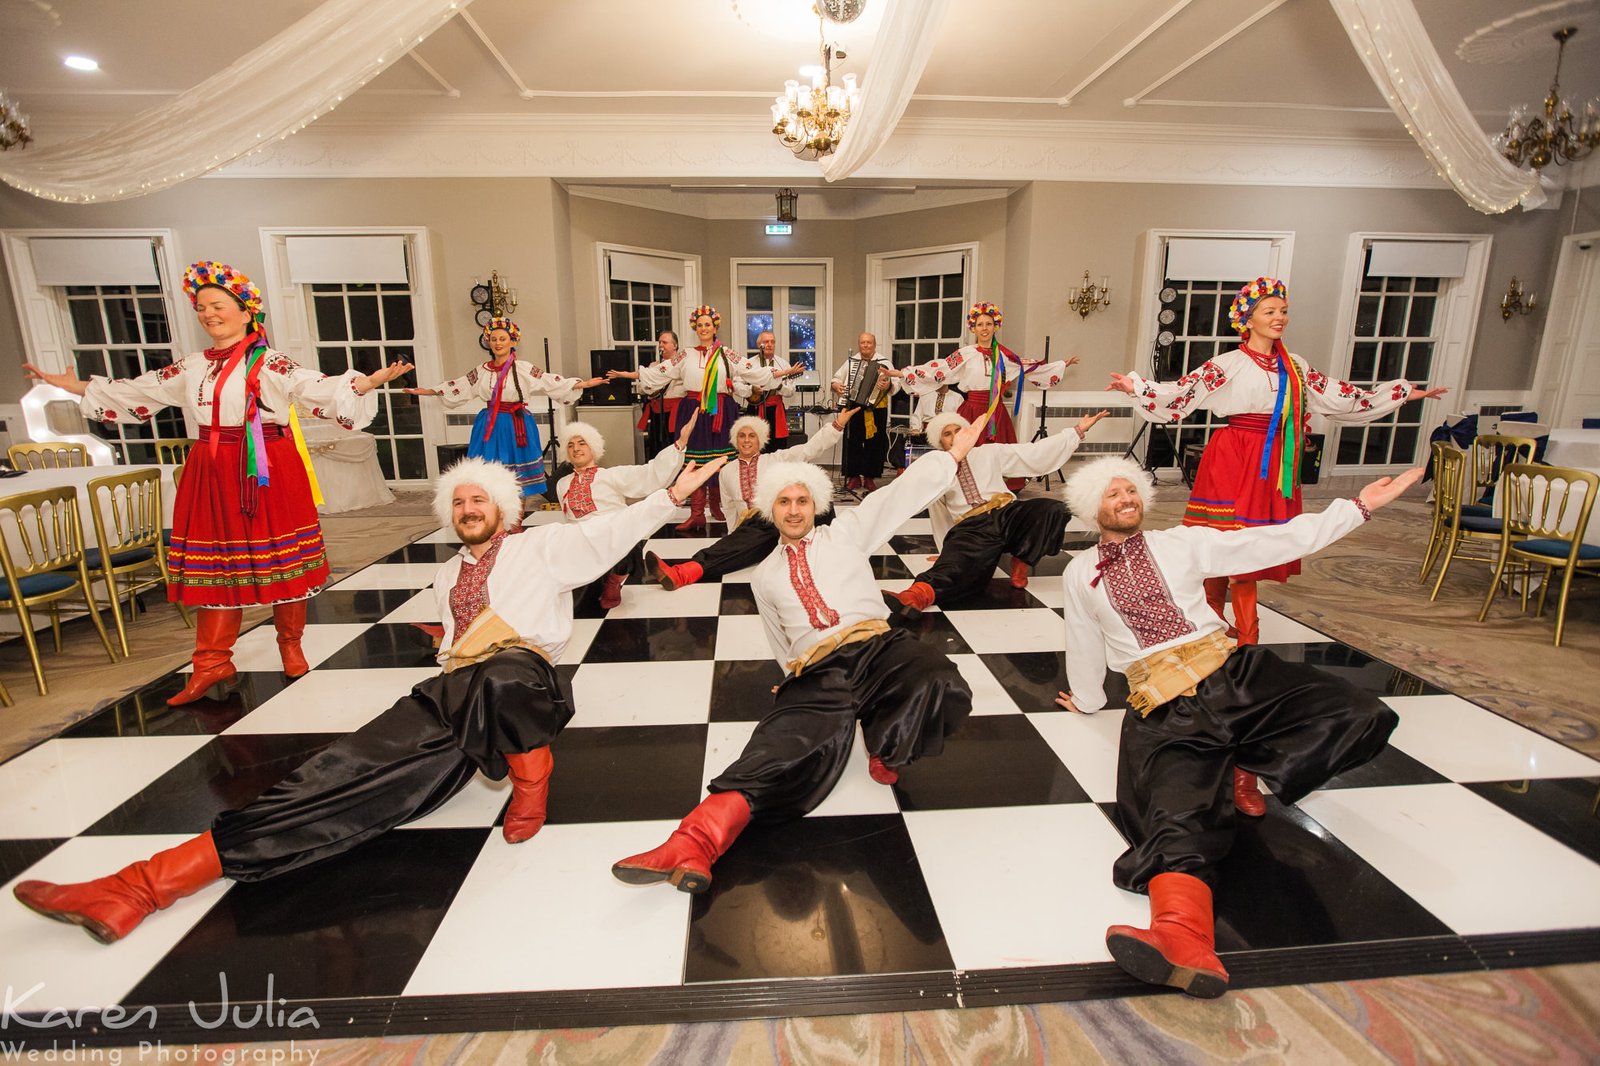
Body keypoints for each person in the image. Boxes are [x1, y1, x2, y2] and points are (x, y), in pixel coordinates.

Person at [11, 455, 727, 944]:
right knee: (335, 779)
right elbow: (451, 644)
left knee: (505, 673)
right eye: (460, 502)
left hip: (521, 680)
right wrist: (442, 643)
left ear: (505, 510)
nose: (469, 508)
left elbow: (607, 532)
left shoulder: (540, 549)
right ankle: (140, 886)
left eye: (480, 499)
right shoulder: (447, 576)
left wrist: (668, 496)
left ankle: (531, 777)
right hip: (454, 693)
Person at [1054, 456, 1419, 997]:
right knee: (1172, 823)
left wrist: (1359, 507)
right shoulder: (1079, 572)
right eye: (1112, 494)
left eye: (1132, 490)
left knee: (1358, 713)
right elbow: (1082, 641)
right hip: (1162, 706)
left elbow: (1272, 541)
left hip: (1232, 673)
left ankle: (1245, 760)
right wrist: (1086, 699)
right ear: (1092, 508)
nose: (1126, 499)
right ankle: (1182, 941)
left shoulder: (1183, 542)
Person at [1106, 277, 1446, 815]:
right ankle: (1208, 644)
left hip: (1273, 465)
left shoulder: (1296, 365)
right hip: (1234, 458)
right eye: (1269, 310)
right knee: (1216, 556)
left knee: (1256, 557)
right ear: (1247, 318)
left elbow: (1340, 396)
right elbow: (1183, 393)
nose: (1280, 317)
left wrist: (1402, 392)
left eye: (1284, 309)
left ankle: (1242, 654)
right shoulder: (1230, 365)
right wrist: (1139, 388)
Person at [610, 418, 988, 896]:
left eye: (802, 501)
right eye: (784, 502)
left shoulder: (846, 533)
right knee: (777, 749)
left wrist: (949, 458)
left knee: (937, 676)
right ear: (771, 509)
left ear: (816, 505)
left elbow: (899, 494)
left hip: (877, 646)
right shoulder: (762, 577)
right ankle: (692, 843)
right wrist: (789, 677)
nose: (793, 510)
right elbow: (777, 636)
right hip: (818, 668)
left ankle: (887, 746)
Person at [24, 261, 413, 707]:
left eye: (218, 305)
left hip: (265, 466)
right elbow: (139, 392)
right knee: (216, 567)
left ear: (246, 311)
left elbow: (318, 388)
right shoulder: (192, 367)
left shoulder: (271, 363)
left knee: (284, 559)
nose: (209, 314)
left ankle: (291, 644)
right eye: (202, 307)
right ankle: (211, 663)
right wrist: (76, 387)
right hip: (210, 469)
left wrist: (368, 383)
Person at [887, 409, 1107, 617]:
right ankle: (914, 596)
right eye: (947, 434)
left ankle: (1021, 560)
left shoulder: (990, 452)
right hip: (973, 528)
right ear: (940, 442)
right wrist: (947, 549)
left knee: (1052, 509)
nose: (954, 437)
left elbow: (1033, 453)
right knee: (958, 570)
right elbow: (938, 511)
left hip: (1006, 513)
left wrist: (1076, 430)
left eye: (958, 431)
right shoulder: (939, 467)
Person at [613, 306, 797, 530]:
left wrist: (782, 373)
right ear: (695, 328)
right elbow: (662, 370)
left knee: (722, 460)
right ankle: (697, 513)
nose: (703, 329)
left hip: (721, 409)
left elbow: (751, 370)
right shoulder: (686, 354)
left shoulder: (726, 353)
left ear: (714, 327)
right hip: (693, 410)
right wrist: (631, 375)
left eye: (707, 325)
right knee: (694, 460)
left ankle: (718, 506)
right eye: (699, 325)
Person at [646, 407, 856, 591]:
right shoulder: (727, 471)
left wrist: (836, 424)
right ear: (735, 440)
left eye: (752, 436)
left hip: (782, 522)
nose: (746, 440)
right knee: (746, 539)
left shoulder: (776, 459)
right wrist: (734, 539)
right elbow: (728, 508)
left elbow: (809, 449)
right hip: (754, 529)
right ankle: (683, 573)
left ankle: (831, 549)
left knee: (821, 499)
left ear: (761, 440)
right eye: (742, 436)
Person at [406, 318, 602, 505]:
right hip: (489, 425)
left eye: (502, 339)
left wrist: (583, 384)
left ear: (512, 341)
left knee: (518, 477)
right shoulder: (482, 371)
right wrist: (427, 391)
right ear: (488, 342)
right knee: (487, 472)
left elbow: (549, 381)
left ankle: (516, 519)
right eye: (493, 339)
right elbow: (459, 386)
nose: (498, 343)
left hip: (517, 425)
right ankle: (495, 515)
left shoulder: (523, 368)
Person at [889, 302, 1079, 491]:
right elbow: (940, 369)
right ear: (973, 328)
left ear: (995, 326)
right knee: (968, 449)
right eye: (980, 324)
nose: (984, 328)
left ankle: (1000, 487)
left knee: (1000, 451)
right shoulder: (965, 354)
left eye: (988, 324)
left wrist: (1060, 365)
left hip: (996, 411)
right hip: (971, 410)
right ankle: (966, 486)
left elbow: (1026, 366)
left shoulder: (1003, 355)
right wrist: (904, 373)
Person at [555, 414, 692, 608]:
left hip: (612, 540)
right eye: (570, 445)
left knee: (629, 534)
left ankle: (615, 581)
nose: (576, 449)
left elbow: (648, 474)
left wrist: (679, 444)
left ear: (593, 448)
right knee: (579, 603)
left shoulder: (611, 476)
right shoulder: (562, 484)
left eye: (582, 443)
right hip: (582, 545)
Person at [829, 332, 898, 491]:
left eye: (868, 342)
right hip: (854, 407)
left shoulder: (884, 361)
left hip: (877, 408)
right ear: (859, 344)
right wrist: (836, 386)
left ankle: (869, 477)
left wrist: (887, 386)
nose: (865, 345)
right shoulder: (851, 361)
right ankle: (853, 477)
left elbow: (895, 382)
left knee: (875, 444)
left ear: (874, 344)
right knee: (852, 442)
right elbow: (837, 378)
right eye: (862, 343)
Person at [744, 329, 798, 451]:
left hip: (776, 409)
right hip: (755, 407)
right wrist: (751, 389)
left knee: (777, 447)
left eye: (772, 342)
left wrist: (779, 386)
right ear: (759, 345)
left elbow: (790, 391)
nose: (769, 345)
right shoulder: (749, 364)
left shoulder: (783, 364)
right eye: (766, 342)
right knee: (753, 444)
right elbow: (737, 384)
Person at [636, 330, 686, 457]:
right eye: (660, 342)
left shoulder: (682, 365)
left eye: (665, 342)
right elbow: (644, 388)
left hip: (675, 412)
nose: (661, 345)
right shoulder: (654, 365)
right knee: (657, 446)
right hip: (657, 412)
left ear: (675, 346)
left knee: (673, 445)